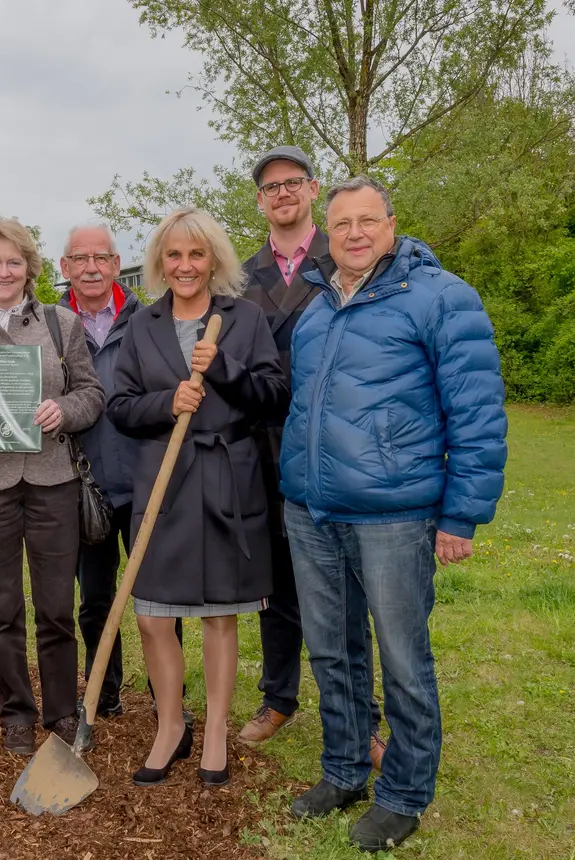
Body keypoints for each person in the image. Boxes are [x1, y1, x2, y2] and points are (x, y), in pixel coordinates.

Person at [280, 175, 508, 851]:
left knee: (403, 659)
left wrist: (461, 515)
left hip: (395, 516)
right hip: (313, 511)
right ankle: (345, 770)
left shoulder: (440, 297)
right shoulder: (317, 309)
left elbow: (477, 412)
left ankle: (404, 794)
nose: (353, 233)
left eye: (366, 220)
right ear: (327, 232)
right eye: (341, 223)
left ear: (391, 223)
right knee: (332, 651)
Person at [107, 207, 289, 788]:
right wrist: (167, 403)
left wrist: (227, 370)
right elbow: (120, 407)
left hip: (224, 480)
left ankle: (214, 732)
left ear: (213, 261)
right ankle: (169, 726)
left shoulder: (246, 318)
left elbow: (275, 396)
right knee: (152, 617)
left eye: (196, 254)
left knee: (217, 615)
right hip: (163, 483)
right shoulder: (142, 325)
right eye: (174, 255)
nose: (185, 265)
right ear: (160, 262)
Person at [234, 146, 382, 768]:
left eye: (293, 181)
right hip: (262, 447)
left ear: (314, 189)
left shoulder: (346, 257)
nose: (283, 193)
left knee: (344, 587)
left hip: (337, 445)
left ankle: (362, 714)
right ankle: (278, 696)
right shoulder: (239, 276)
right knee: (274, 583)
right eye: (271, 186)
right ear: (260, 200)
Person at [0, 216, 106, 756]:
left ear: (29, 268)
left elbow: (91, 393)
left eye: (14, 261)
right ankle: (16, 714)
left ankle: (61, 711)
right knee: (1, 607)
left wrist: (64, 410)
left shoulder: (61, 323)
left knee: (56, 606)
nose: (4, 271)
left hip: (53, 480)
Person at [55, 223, 184, 720]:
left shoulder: (149, 320)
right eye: (79, 258)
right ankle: (102, 693)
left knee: (160, 599)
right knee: (95, 599)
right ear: (65, 267)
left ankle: (167, 699)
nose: (91, 267)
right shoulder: (49, 325)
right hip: (84, 486)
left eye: (100, 258)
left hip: (145, 480)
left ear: (115, 264)